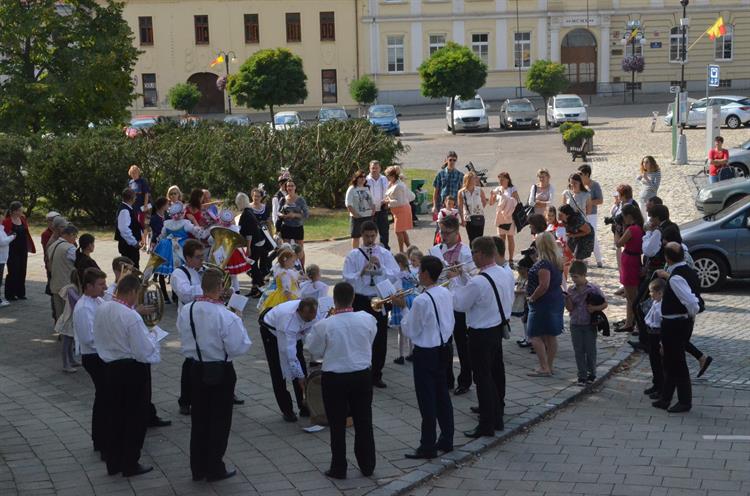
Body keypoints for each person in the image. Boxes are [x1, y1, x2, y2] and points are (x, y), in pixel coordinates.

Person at [177, 268, 252, 482]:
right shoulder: (225, 314)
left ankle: (197, 467)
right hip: (220, 369)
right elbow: (239, 347)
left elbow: (182, 333)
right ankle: (214, 467)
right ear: (220, 287)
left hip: (196, 367)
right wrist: (238, 319)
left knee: (200, 419)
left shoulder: (187, 309)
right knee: (219, 420)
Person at [306, 282, 377, 480]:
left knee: (336, 425)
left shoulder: (324, 325)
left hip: (335, 378)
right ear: (353, 298)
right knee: (364, 421)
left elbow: (315, 351)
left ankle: (339, 467)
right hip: (362, 375)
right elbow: (371, 339)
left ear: (334, 301)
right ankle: (367, 464)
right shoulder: (367, 319)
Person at [93, 274, 160, 477]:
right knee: (134, 419)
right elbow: (142, 350)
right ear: (131, 292)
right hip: (131, 369)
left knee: (115, 417)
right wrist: (154, 336)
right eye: (137, 294)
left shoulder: (103, 307)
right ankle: (130, 463)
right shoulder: (130, 316)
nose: (137, 299)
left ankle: (113, 462)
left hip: (110, 367)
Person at [393, 255, 455, 459]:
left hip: (426, 353)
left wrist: (403, 308)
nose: (417, 274)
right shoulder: (445, 292)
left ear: (426, 274)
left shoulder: (421, 300)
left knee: (426, 400)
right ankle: (447, 439)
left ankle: (427, 445)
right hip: (443, 348)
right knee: (442, 396)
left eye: (420, 271)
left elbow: (410, 330)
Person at [452, 236, 513, 438]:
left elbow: (460, 304)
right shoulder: (503, 273)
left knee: (482, 379)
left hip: (480, 334)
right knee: (495, 375)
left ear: (481, 253)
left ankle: (486, 425)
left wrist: (453, 281)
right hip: (496, 328)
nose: (471, 257)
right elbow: (480, 291)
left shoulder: (479, 281)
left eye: (473, 252)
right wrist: (462, 277)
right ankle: (497, 418)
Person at [342, 221, 399, 388]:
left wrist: (381, 266)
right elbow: (346, 277)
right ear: (361, 236)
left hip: (378, 299)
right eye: (367, 236)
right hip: (361, 299)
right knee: (360, 336)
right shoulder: (354, 255)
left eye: (373, 236)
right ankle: (361, 372)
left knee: (380, 337)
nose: (370, 239)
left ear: (376, 235)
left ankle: (377, 374)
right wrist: (361, 271)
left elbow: (395, 274)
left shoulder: (384, 253)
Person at [652, 243, 702, 413]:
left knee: (677, 363)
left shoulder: (676, 277)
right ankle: (666, 398)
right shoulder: (688, 271)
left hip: (675, 324)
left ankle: (684, 401)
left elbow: (691, 302)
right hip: (677, 322)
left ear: (667, 258)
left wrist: (689, 315)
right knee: (669, 361)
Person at [428, 215, 475, 395]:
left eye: (447, 233)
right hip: (441, 301)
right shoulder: (435, 250)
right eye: (442, 232)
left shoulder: (465, 252)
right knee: (444, 343)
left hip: (458, 303)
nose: (444, 236)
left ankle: (465, 380)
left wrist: (459, 273)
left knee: (462, 343)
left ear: (457, 232)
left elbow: (472, 279)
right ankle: (446, 379)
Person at [259, 297, 319, 422]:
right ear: (300, 312)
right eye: (308, 318)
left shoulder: (313, 312)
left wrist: (302, 374)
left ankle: (304, 407)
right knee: (278, 371)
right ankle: (287, 410)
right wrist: (300, 376)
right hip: (272, 331)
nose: (311, 320)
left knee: (301, 366)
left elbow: (312, 331)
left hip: (294, 332)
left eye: (313, 317)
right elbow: (290, 354)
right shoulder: (288, 322)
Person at [72, 267, 108, 455]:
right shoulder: (84, 307)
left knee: (105, 397)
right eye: (101, 285)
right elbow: (89, 339)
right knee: (103, 398)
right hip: (94, 357)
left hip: (102, 354)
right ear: (88, 286)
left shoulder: (98, 300)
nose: (105, 287)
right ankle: (100, 439)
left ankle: (102, 437)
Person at [172, 239, 205, 416]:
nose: (202, 260)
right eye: (198, 257)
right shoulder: (179, 273)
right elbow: (185, 294)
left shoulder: (205, 270)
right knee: (191, 360)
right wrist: (206, 287)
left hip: (207, 319)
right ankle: (185, 400)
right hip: (189, 321)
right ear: (188, 258)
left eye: (203, 256)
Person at [526, 232, 565, 377]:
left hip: (543, 303)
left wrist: (532, 298)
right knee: (551, 335)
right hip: (555, 299)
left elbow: (543, 285)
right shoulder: (557, 260)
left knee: (534, 335)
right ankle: (549, 365)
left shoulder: (544, 264)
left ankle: (544, 366)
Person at [565, 261, 607, 386]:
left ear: (584, 275)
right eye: (572, 277)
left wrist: (594, 309)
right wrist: (567, 299)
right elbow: (570, 309)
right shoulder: (571, 290)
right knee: (578, 350)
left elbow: (605, 304)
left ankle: (591, 372)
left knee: (590, 349)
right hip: (575, 323)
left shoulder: (593, 289)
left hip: (589, 324)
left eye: (576, 277)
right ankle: (582, 375)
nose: (574, 279)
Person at [615, 204, 645, 334]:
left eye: (623, 216)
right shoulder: (639, 228)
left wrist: (616, 231)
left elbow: (618, 243)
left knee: (633, 297)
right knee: (630, 295)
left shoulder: (632, 229)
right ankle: (629, 322)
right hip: (634, 260)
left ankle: (638, 325)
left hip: (629, 262)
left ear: (628, 216)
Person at [236, 192, 269, 298]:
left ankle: (261, 285)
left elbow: (249, 233)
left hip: (255, 243)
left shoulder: (246, 214)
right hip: (258, 242)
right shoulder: (249, 211)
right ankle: (255, 289)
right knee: (252, 265)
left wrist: (248, 248)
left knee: (251, 266)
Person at [3, 202, 35, 301]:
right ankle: (10, 295)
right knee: (13, 272)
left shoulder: (22, 219)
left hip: (23, 249)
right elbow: (4, 236)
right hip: (11, 250)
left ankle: (20, 293)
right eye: (20, 210)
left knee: (22, 271)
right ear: (14, 211)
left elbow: (26, 233)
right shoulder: (7, 221)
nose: (22, 212)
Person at [49, 224, 79, 325]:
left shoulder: (53, 244)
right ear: (70, 235)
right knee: (68, 313)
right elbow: (79, 262)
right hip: (67, 285)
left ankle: (60, 332)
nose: (75, 239)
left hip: (55, 283)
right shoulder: (70, 248)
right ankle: (66, 335)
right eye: (75, 236)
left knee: (59, 312)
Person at [391, 253, 417, 365]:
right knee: (411, 328)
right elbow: (416, 284)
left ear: (399, 264)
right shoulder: (410, 273)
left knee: (401, 331)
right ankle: (411, 353)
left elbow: (397, 288)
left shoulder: (398, 275)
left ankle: (401, 355)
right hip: (412, 299)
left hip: (402, 300)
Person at [490, 172, 520, 266]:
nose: (500, 181)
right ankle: (501, 258)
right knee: (501, 238)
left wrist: (506, 198)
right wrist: (492, 195)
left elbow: (517, 201)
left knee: (510, 237)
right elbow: (491, 203)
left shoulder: (512, 188)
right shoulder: (498, 189)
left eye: (502, 179)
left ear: (507, 179)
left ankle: (511, 259)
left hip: (510, 216)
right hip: (500, 217)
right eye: (499, 179)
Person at [643, 278, 666, 400]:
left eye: (652, 292)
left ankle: (661, 388)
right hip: (651, 334)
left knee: (658, 363)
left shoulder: (661, 306)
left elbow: (662, 324)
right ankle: (656, 384)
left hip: (657, 335)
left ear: (660, 293)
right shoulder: (655, 302)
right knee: (653, 361)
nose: (650, 294)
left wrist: (662, 342)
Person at [577, 165, 604, 268]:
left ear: (587, 174)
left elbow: (600, 200)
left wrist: (588, 202)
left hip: (591, 214)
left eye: (581, 174)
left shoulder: (595, 185)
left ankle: (599, 259)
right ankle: (583, 259)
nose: (579, 176)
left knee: (593, 236)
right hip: (581, 214)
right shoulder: (578, 185)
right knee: (581, 235)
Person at [278, 180, 309, 264]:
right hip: (286, 227)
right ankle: (286, 268)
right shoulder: (283, 199)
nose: (290, 188)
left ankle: (302, 270)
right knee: (286, 250)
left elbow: (306, 214)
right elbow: (278, 212)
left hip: (297, 227)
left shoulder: (300, 200)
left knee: (299, 250)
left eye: (292, 186)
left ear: (295, 187)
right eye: (288, 186)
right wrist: (283, 216)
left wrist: (295, 215)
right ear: (286, 188)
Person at [384, 165, 414, 253]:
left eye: (388, 176)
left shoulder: (399, 186)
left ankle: (402, 251)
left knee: (398, 231)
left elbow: (399, 202)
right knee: (402, 231)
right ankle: (410, 249)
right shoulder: (393, 183)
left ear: (393, 176)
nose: (387, 178)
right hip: (398, 212)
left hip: (402, 210)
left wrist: (388, 202)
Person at [345, 170, 375, 249]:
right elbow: (348, 204)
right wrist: (355, 215)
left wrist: (373, 211)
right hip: (357, 218)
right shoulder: (352, 189)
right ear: (356, 178)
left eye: (364, 177)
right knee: (356, 237)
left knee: (369, 236)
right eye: (360, 177)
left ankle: (368, 252)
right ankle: (355, 253)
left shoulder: (367, 188)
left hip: (368, 216)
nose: (363, 179)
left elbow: (372, 201)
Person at [149, 197, 171, 303]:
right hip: (158, 245)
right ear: (162, 205)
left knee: (170, 269)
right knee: (160, 270)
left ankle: (174, 296)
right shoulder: (154, 218)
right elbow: (157, 232)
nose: (169, 206)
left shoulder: (167, 216)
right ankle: (165, 296)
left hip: (168, 244)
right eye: (167, 204)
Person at [115, 188, 143, 268]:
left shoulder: (127, 209)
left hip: (129, 245)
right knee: (131, 267)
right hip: (128, 246)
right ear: (132, 198)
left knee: (133, 266)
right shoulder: (125, 211)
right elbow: (124, 229)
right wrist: (134, 242)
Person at [457, 171, 487, 243]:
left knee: (480, 239)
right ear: (468, 180)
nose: (475, 180)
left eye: (475, 178)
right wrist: (462, 219)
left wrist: (478, 209)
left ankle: (480, 253)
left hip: (479, 216)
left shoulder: (479, 190)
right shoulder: (461, 192)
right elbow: (460, 207)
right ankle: (473, 253)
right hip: (468, 218)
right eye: (473, 178)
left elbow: (484, 202)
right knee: (472, 239)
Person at [433, 151, 464, 216]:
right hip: (442, 206)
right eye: (450, 160)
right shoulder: (440, 174)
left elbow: (461, 193)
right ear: (446, 160)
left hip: (454, 207)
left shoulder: (460, 175)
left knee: (453, 225)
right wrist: (434, 206)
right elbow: (436, 192)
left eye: (454, 160)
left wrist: (462, 208)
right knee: (441, 225)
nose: (452, 162)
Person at [0, 218, 17, 307]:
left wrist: (8, 236)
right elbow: (2, 242)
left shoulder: (1, 228)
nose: (2, 219)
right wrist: (12, 237)